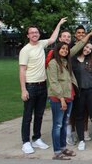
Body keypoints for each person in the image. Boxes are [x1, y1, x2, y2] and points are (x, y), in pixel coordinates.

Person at [19, 18, 66, 154]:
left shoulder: (41, 44)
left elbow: (52, 38)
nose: (34, 34)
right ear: (28, 35)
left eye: (36, 32)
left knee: (39, 114)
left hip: (42, 85)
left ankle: (37, 138)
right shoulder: (25, 50)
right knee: (28, 116)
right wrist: (23, 90)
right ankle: (26, 142)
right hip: (30, 86)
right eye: (32, 32)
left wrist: (59, 24)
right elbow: (22, 70)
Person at [46, 42, 78, 160]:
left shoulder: (66, 62)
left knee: (64, 124)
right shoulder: (53, 63)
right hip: (58, 98)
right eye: (62, 48)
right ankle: (57, 151)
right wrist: (61, 99)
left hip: (69, 96)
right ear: (57, 50)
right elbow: (54, 83)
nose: (65, 50)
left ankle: (63, 147)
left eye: (66, 49)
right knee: (57, 125)